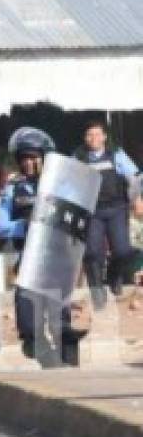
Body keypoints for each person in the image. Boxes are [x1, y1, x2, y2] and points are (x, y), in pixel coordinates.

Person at [0, 126, 83, 367]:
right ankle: (42, 351)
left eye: (33, 158)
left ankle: (69, 363)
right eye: (24, 159)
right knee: (28, 326)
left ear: (45, 158)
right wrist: (25, 226)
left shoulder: (62, 186)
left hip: (57, 258)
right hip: (29, 259)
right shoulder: (13, 189)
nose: (28, 163)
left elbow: (76, 219)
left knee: (60, 323)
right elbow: (1, 227)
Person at [73, 119, 140, 307]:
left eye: (97, 134)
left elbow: (134, 178)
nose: (93, 138)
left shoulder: (116, 155)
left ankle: (114, 275)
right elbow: (69, 182)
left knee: (123, 250)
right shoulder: (78, 157)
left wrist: (136, 200)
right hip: (92, 211)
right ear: (85, 138)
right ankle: (97, 292)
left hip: (116, 208)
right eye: (89, 134)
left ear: (104, 137)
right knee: (93, 252)